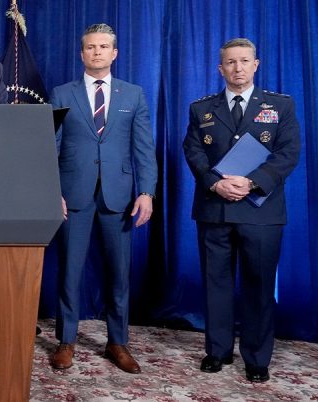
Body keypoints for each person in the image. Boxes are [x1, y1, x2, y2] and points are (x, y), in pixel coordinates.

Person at [182, 38, 300, 383]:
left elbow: (288, 152)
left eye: (244, 61)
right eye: (231, 62)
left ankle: (257, 357)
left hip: (261, 211)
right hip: (215, 208)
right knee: (215, 284)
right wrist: (214, 183)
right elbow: (193, 151)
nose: (238, 68)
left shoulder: (280, 105)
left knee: (258, 286)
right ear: (221, 68)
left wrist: (251, 182)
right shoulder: (201, 108)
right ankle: (217, 351)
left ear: (255, 65)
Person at [50, 24, 157, 374]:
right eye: (91, 47)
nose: (97, 52)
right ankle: (66, 341)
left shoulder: (133, 95)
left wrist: (146, 192)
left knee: (119, 273)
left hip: (118, 197)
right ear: (82, 53)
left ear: (114, 53)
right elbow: (50, 147)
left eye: (103, 46)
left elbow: (144, 148)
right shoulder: (61, 94)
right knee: (70, 270)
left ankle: (117, 342)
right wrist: (52, 192)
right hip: (73, 194)